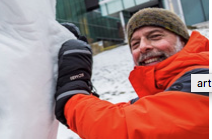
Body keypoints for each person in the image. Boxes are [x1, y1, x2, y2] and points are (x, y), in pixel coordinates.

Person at [55, 8, 209, 139]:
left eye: (155, 36)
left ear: (183, 41)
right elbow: (124, 114)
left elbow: (124, 127)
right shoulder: (161, 92)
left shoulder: (203, 80)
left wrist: (72, 92)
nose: (143, 47)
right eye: (135, 44)